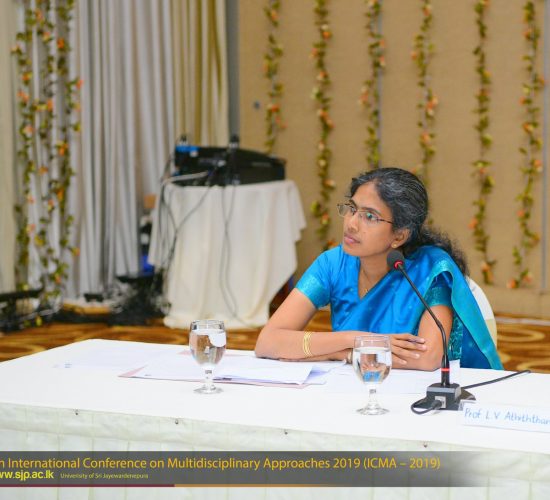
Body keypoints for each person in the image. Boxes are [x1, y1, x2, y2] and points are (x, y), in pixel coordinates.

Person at [255, 167, 502, 371]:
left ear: (399, 236)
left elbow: (426, 359)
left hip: (423, 395)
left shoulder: (430, 270)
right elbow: (268, 342)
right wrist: (355, 342)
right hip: (356, 386)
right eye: (352, 209)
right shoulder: (332, 264)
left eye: (370, 217)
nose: (352, 224)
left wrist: (342, 352)